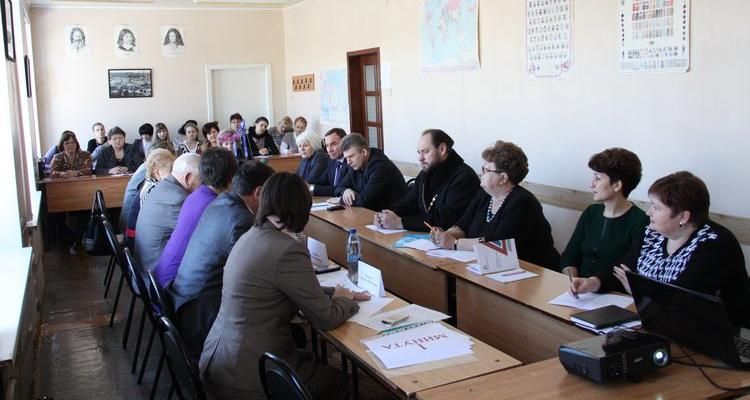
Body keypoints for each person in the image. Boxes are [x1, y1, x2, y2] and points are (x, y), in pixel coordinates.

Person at [199, 172, 370, 399]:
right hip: (249, 376)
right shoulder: (287, 249)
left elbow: (279, 287)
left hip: (220, 360)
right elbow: (327, 318)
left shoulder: (252, 234)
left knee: (311, 358)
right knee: (339, 382)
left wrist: (332, 292)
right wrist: (345, 301)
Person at [570, 171, 750, 327]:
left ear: (683, 217)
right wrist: (593, 282)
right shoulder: (653, 232)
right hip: (656, 322)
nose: (648, 212)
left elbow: (681, 303)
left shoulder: (714, 244)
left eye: (656, 207)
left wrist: (639, 291)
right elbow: (623, 268)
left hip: (708, 334)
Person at [170, 161, 275, 358]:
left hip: (185, 301)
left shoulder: (220, 202)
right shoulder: (242, 220)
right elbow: (251, 277)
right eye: (272, 195)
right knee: (277, 320)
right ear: (259, 192)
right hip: (203, 317)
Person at [432, 141, 560, 269]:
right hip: (494, 267)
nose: (482, 173)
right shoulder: (484, 194)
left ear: (503, 178)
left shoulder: (523, 203)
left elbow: (496, 244)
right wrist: (445, 235)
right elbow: (462, 225)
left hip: (533, 270)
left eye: (487, 170)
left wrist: (454, 243)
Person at [559, 148, 649, 278]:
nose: (592, 184)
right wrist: (572, 277)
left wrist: (592, 283)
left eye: (597, 178)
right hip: (577, 286)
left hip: (611, 290)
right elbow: (569, 256)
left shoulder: (640, 221)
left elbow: (626, 270)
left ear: (617, 185)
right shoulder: (591, 212)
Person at [154, 148, 237, 287]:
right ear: (231, 178)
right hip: (173, 285)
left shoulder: (196, 195)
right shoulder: (215, 205)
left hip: (162, 276)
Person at [376, 129, 480, 232]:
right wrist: (386, 215)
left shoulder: (464, 177)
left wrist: (400, 222)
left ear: (442, 149)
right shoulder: (425, 174)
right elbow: (408, 203)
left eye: (425, 151)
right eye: (419, 152)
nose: (420, 158)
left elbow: (445, 221)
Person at [134, 153, 201, 273]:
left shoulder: (163, 186)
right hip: (155, 275)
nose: (204, 184)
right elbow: (200, 237)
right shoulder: (178, 199)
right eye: (202, 179)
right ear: (187, 178)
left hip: (145, 265)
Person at [120, 141, 175, 244]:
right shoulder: (153, 189)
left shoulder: (150, 177)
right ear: (157, 172)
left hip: (135, 229)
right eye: (171, 170)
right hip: (135, 238)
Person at [336, 133, 407, 210]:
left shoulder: (380, 166)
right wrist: (346, 191)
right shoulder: (355, 166)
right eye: (346, 158)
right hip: (373, 212)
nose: (348, 162)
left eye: (351, 156)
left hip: (394, 214)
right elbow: (339, 187)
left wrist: (342, 199)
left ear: (364, 152)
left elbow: (364, 201)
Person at [310, 128, 351, 197]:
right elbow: (322, 182)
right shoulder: (332, 162)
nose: (329, 150)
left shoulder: (351, 162)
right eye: (327, 145)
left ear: (345, 143)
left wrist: (312, 188)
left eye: (333, 144)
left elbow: (339, 189)